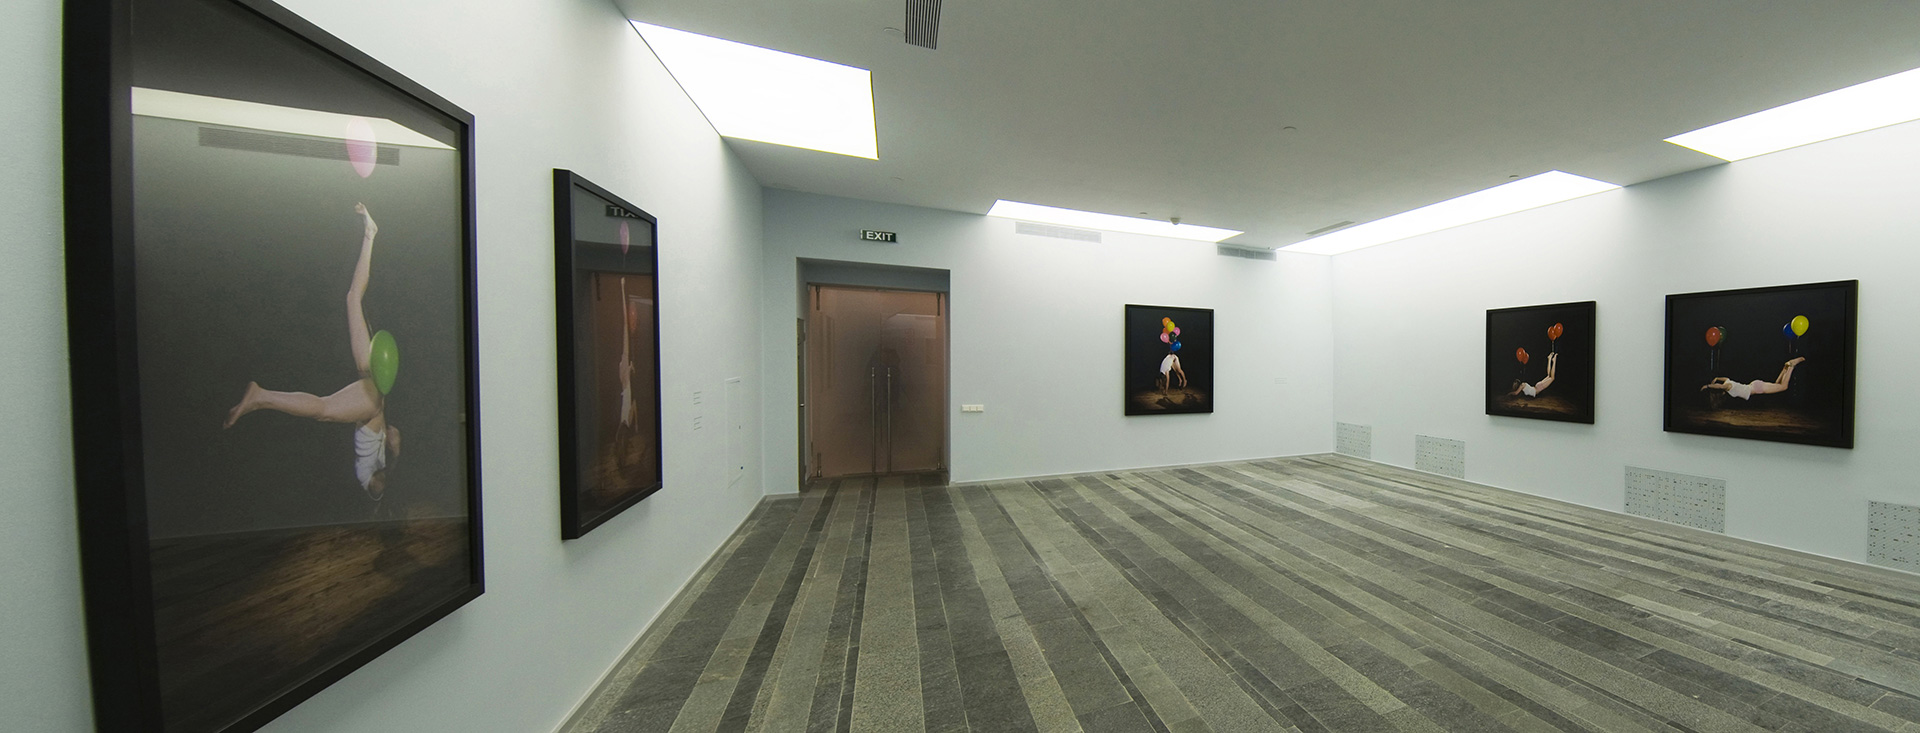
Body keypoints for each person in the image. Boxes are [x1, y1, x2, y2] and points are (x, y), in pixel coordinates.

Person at [224, 203, 399, 501]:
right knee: (324, 409)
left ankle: (370, 235)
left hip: (371, 384)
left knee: (352, 299)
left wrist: (394, 449)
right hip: (372, 400)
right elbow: (386, 469)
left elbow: (384, 466)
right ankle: (261, 396)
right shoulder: (370, 479)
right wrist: (395, 452)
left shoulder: (364, 477)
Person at [1702, 357, 1804, 401]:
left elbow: (1720, 387)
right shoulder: (1728, 382)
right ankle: (1785, 368)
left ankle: (1791, 365)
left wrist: (1707, 386)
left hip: (1756, 388)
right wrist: (1717, 378)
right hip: (1755, 386)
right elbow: (1726, 378)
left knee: (1784, 386)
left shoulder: (1727, 387)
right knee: (1777, 384)